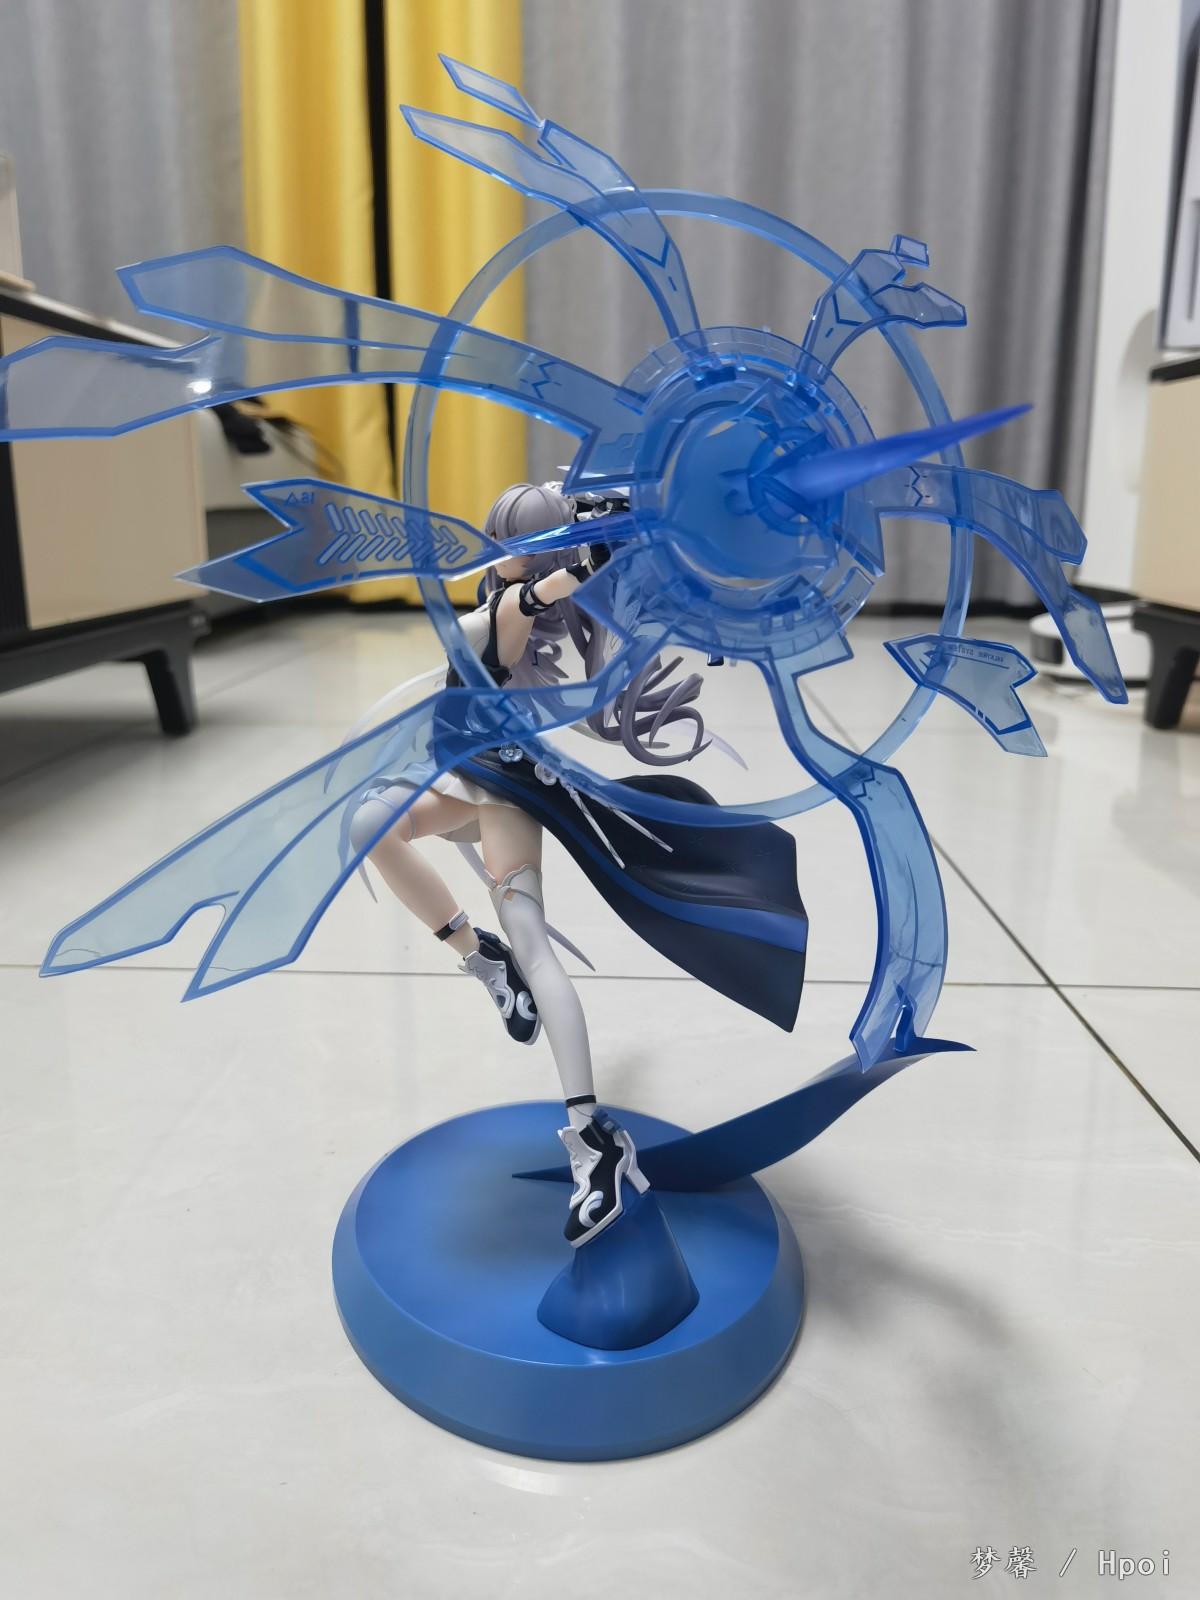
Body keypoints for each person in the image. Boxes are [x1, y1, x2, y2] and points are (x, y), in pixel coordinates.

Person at [349, 483, 808, 1247]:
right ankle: (479, 958)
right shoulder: (501, 604)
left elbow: (537, 594)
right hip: (463, 781)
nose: (502, 557)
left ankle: (592, 1138)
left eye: (514, 545)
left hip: (507, 796)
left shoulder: (510, 611)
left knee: (535, 944)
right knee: (371, 823)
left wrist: (599, 555)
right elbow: (534, 590)